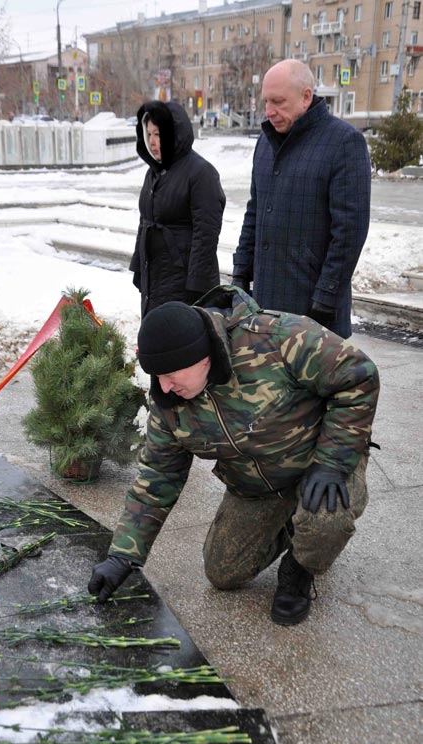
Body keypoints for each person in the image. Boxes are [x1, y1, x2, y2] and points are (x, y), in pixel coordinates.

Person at [88, 285, 380, 626]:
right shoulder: (171, 404)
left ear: (202, 356)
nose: (164, 387)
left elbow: (359, 378)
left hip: (320, 464)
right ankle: (290, 525)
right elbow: (158, 477)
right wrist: (123, 556)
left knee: (326, 518)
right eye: (158, 377)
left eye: (170, 374)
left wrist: (333, 462)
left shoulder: (280, 338)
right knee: (223, 573)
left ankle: (300, 570)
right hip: (257, 486)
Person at [232, 59, 371, 339]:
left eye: (279, 102)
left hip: (315, 314)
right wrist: (240, 273)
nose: (269, 111)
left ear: (306, 97)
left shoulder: (344, 143)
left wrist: (326, 298)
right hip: (265, 310)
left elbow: (349, 232)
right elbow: (255, 213)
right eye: (266, 102)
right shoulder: (266, 142)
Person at [131, 100, 226, 317]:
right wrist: (138, 266)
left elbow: (206, 234)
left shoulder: (201, 172)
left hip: (184, 283)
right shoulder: (154, 172)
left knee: (177, 343)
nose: (153, 142)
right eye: (149, 134)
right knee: (156, 339)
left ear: (174, 133)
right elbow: (144, 221)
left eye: (158, 134)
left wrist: (196, 287)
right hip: (155, 278)